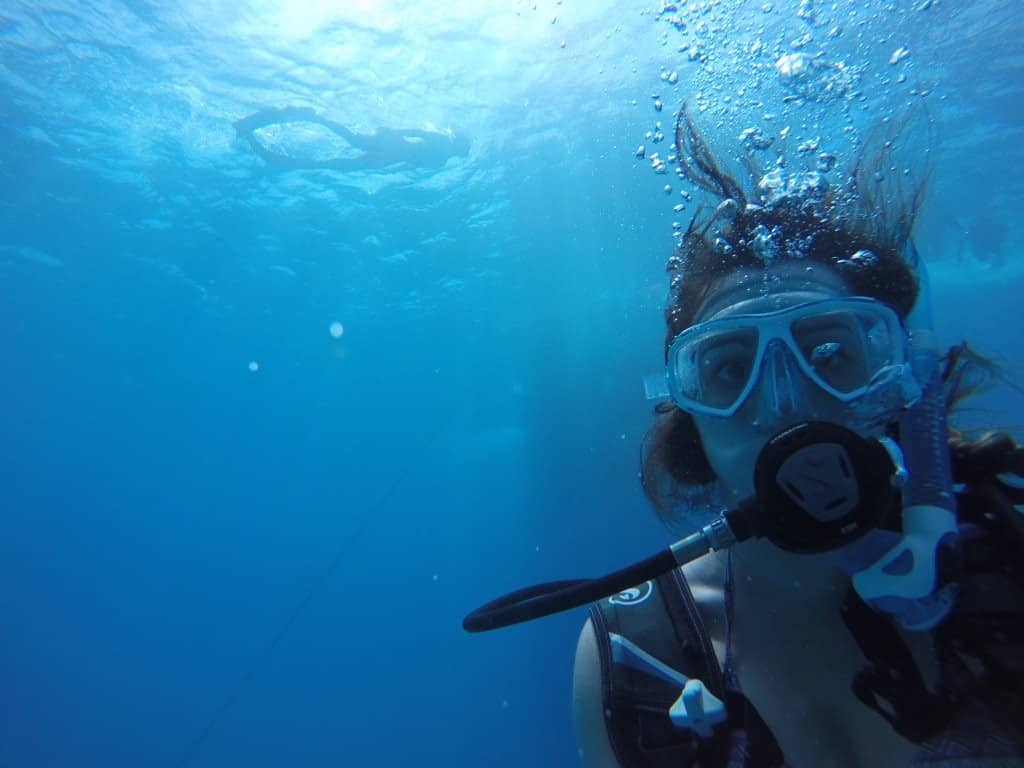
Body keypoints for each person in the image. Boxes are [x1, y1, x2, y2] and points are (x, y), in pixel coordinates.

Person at [571, 106, 1024, 767]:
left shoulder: (1009, 556)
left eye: (832, 354)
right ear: (687, 413)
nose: (786, 405)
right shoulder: (640, 655)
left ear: (901, 380)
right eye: (729, 369)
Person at [233, 106, 470, 172]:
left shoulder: (441, 147)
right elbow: (409, 162)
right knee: (336, 163)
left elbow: (415, 135)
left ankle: (318, 119)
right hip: (389, 154)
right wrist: (384, 167)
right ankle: (277, 156)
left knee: (351, 139)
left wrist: (391, 133)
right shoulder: (440, 158)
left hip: (390, 148)